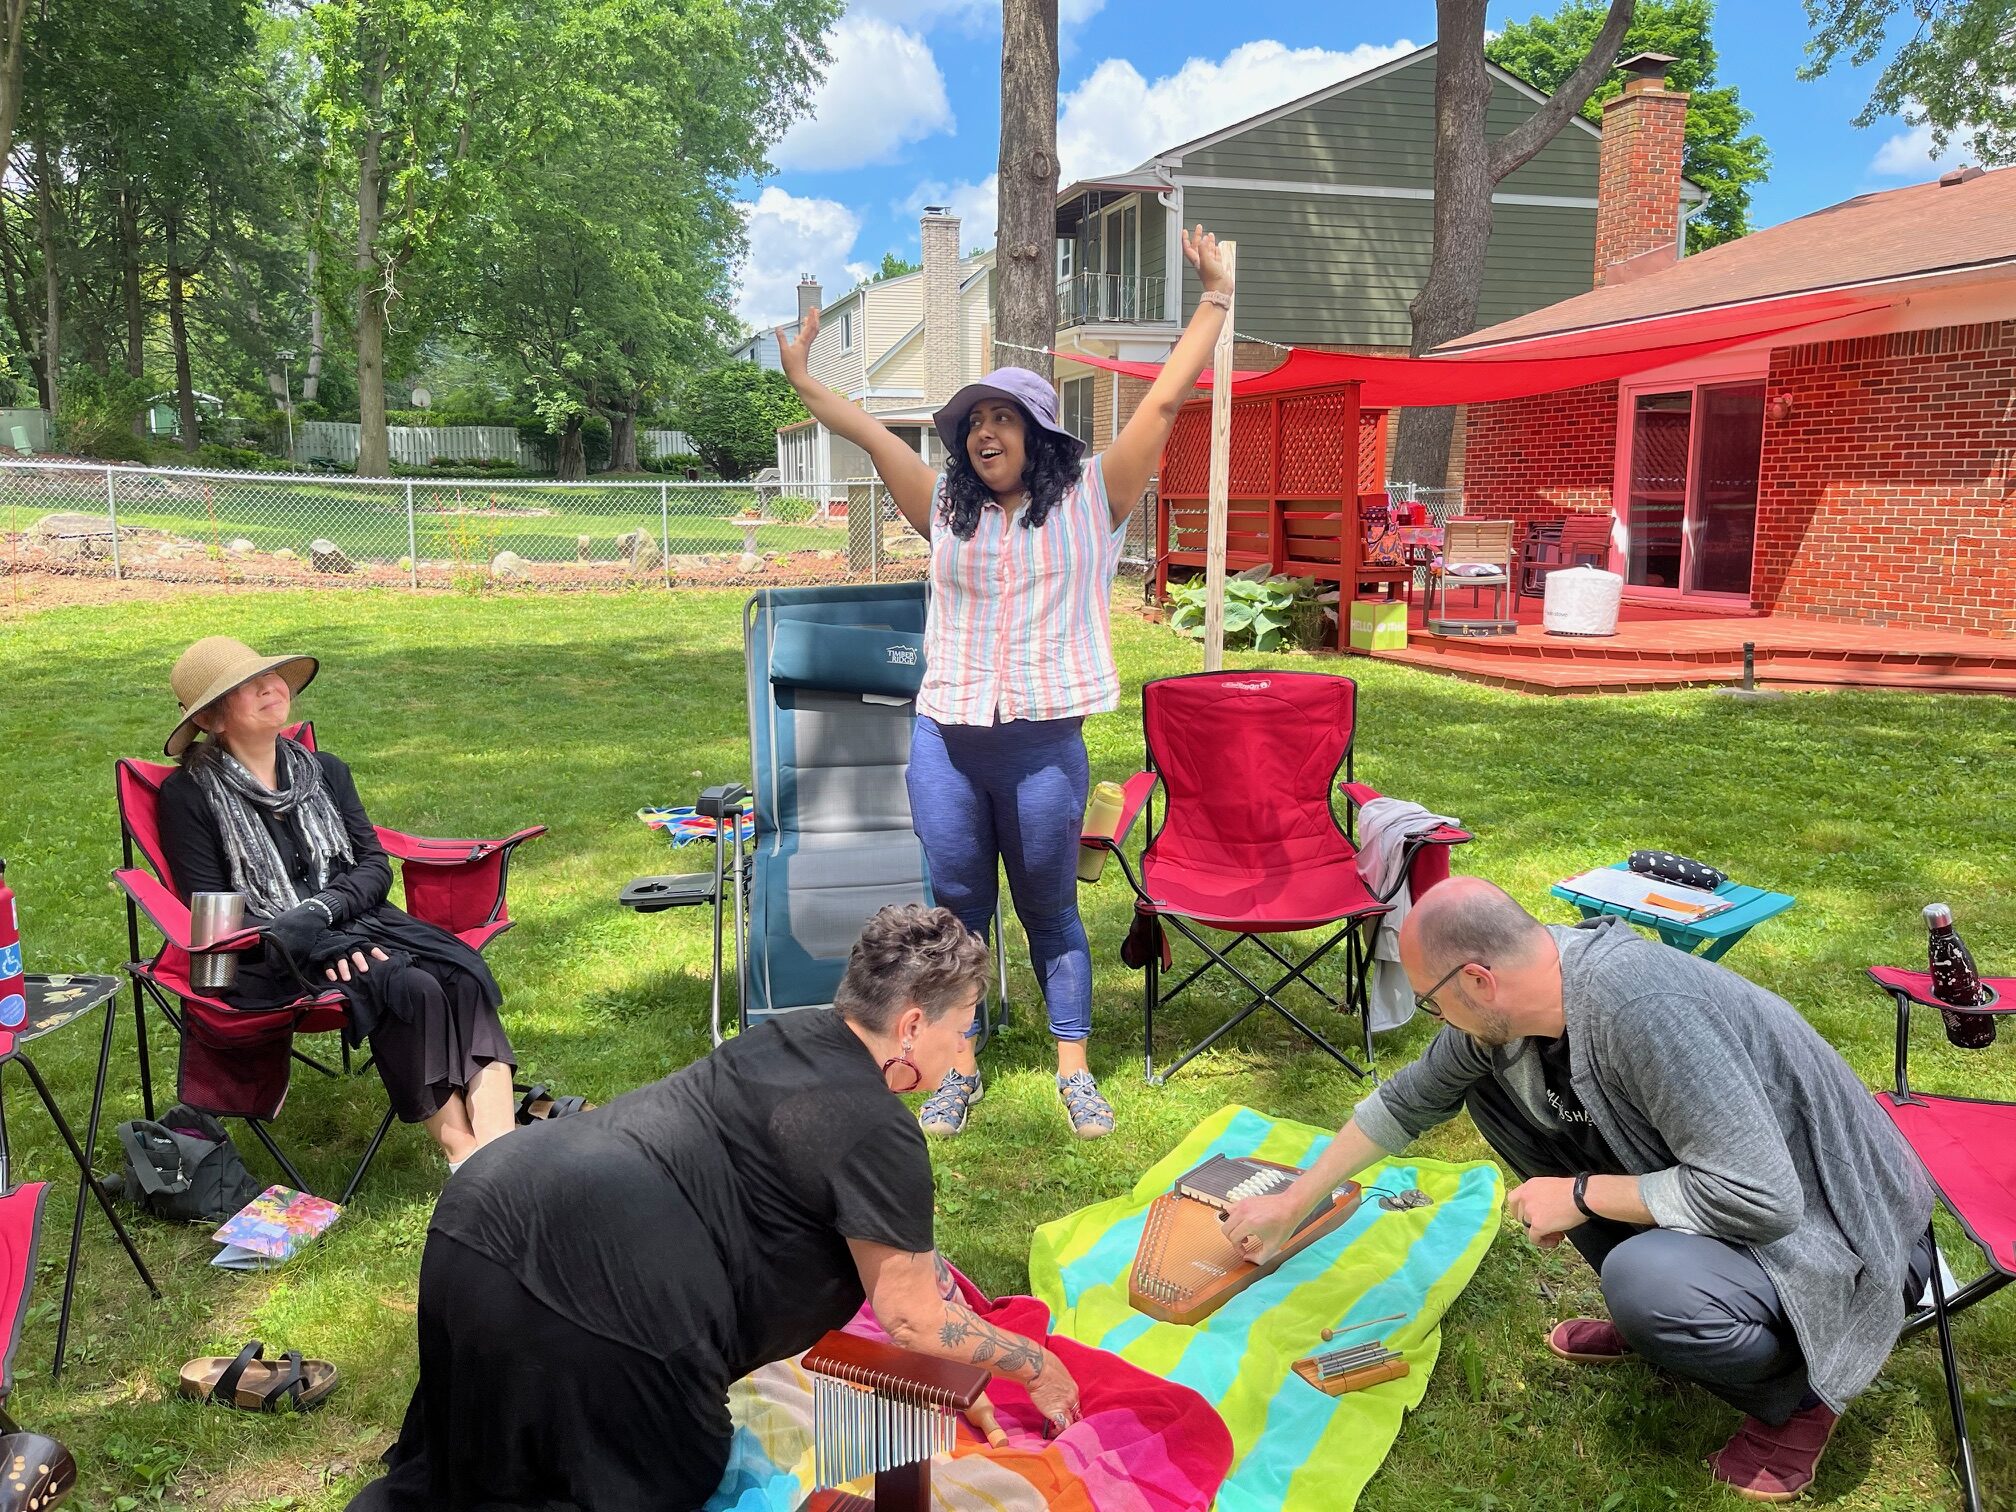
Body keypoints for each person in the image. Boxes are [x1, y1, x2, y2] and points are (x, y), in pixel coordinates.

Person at [349, 904, 1085, 1512]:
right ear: (914, 1025)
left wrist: (954, 1363)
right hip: (612, 1299)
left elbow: (911, 1273)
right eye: (962, 1028)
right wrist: (1035, 1366)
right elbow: (910, 1314)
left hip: (485, 1203)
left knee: (471, 1466)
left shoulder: (791, 1032)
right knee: (650, 1481)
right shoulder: (877, 1130)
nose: (963, 1048)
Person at [1223, 877, 1935, 1503]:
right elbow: (1408, 1102)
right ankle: (1673, 1320)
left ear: (1477, 981)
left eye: (1434, 1007)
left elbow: (1762, 1198)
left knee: (1650, 1285)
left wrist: (1584, 1196)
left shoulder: (1640, 1007)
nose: (1439, 1025)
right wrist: (1292, 1204)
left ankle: (1801, 1397)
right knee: (1493, 1095)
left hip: (1843, 1235)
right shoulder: (1519, 1001)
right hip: (1744, 1202)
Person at [776, 227, 1238, 1141]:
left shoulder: (1094, 502)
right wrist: (803, 379)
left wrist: (1216, 296)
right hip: (945, 742)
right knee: (956, 915)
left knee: (1050, 909)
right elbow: (869, 431)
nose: (983, 433)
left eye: (1002, 419)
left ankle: (1073, 1068)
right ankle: (960, 1066)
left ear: (1038, 434)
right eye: (971, 424)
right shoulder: (943, 512)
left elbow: (1169, 401)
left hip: (1040, 750)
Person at [157, 636, 517, 1172]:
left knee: (462, 973)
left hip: (355, 920)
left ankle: (506, 1152)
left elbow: (373, 866)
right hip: (267, 953)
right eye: (245, 686)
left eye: (272, 675)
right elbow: (214, 908)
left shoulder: (325, 770)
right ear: (211, 718)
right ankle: (464, 1156)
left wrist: (323, 913)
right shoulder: (189, 797)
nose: (270, 686)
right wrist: (310, 941)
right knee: (408, 985)